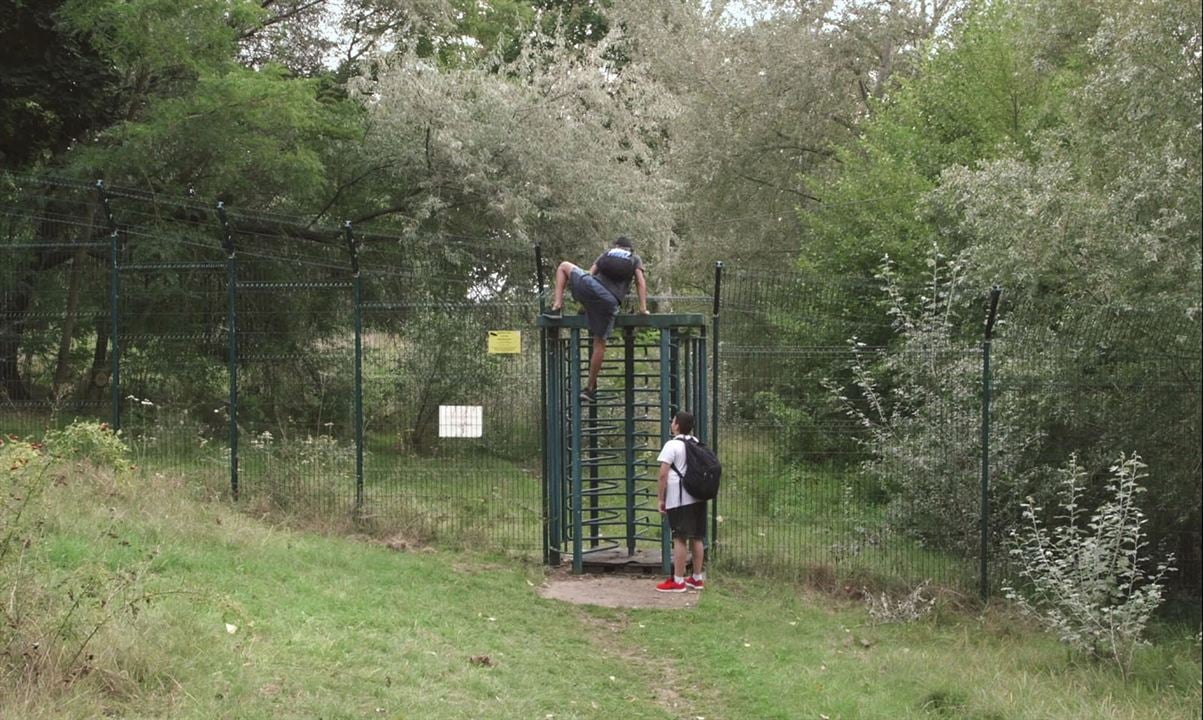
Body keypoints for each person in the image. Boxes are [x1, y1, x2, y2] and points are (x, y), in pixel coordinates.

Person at [544, 236, 649, 402]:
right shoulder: (634, 259)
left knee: (564, 266)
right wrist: (643, 308)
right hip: (610, 302)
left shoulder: (607, 254)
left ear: (616, 246)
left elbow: (589, 274)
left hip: (591, 289)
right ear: (630, 249)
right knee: (599, 343)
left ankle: (557, 307)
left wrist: (584, 297)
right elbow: (640, 283)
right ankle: (589, 388)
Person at [655, 410, 706, 592]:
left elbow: (663, 474)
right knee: (697, 537)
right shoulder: (697, 443)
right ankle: (697, 578)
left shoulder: (672, 445)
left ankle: (678, 581)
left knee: (680, 537)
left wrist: (660, 498)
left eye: (673, 421)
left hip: (679, 498)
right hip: (697, 496)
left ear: (676, 425)